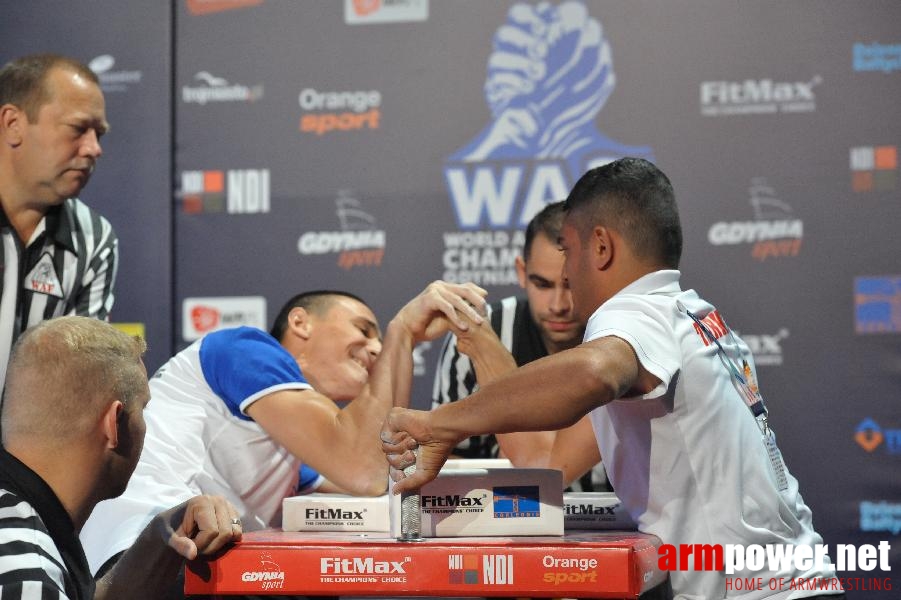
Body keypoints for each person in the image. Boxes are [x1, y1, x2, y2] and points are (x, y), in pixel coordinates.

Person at [382, 158, 843, 599]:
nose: (565, 273)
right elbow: (545, 457)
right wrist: (478, 342)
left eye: (567, 250)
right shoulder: (690, 314)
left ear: (601, 247)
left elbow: (594, 370)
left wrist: (441, 422)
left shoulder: (633, 312)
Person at [80, 281, 486, 583]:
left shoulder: (290, 449)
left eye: (381, 338)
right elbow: (360, 467)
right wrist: (401, 331)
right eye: (364, 330)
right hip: (135, 553)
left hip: (183, 558)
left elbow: (374, 481)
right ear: (300, 323)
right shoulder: (246, 348)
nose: (375, 347)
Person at [0, 316, 241, 600]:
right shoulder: (30, 571)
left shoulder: (20, 528)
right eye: (143, 409)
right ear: (114, 424)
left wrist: (156, 536)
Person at [433, 200, 605, 490]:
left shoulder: (620, 335)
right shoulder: (479, 330)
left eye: (571, 285)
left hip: (618, 524)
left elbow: (543, 465)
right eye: (543, 284)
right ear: (521, 272)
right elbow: (450, 459)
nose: (558, 305)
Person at [0, 54, 118, 393]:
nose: (94, 148)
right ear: (13, 124)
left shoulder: (95, 239)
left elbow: (80, 381)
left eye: (99, 134)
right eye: (78, 129)